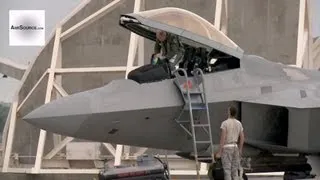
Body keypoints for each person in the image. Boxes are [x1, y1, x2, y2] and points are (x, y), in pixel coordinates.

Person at [216, 106, 245, 180]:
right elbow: (242, 137)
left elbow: (223, 138)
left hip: (227, 148)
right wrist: (240, 149)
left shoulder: (225, 123)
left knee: (227, 171)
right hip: (235, 147)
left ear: (229, 112)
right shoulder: (239, 123)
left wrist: (219, 152)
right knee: (234, 171)